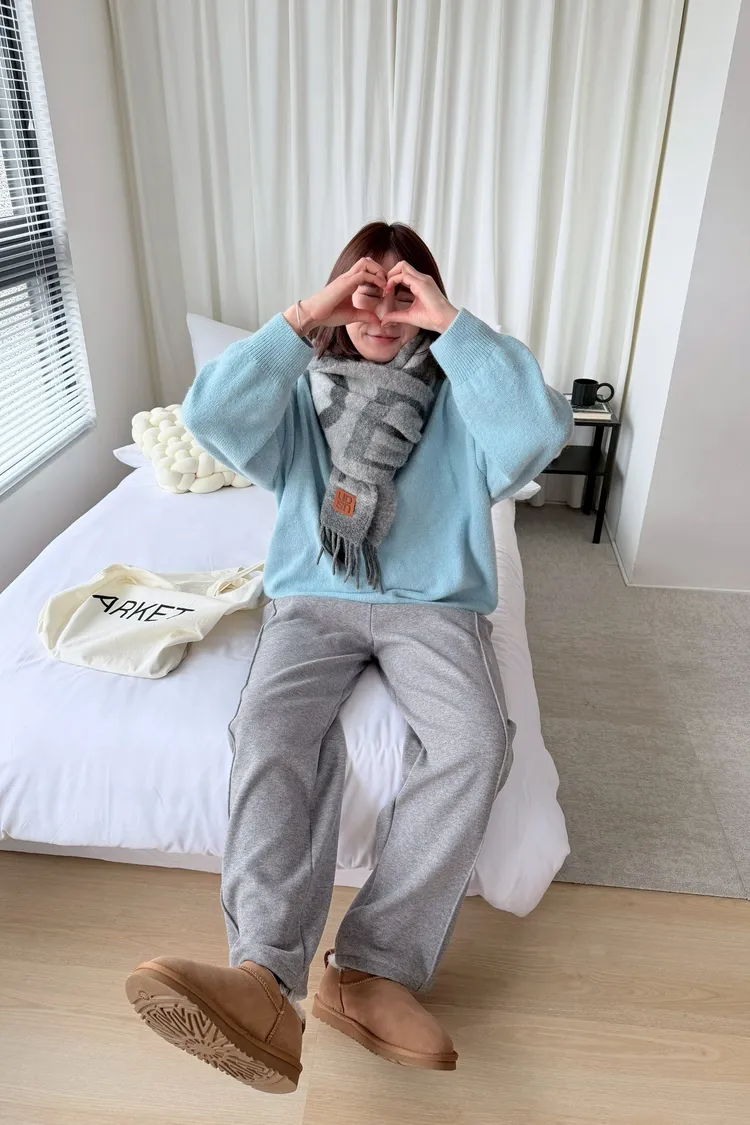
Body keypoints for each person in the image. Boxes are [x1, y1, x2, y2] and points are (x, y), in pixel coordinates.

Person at [125, 221, 573, 1093]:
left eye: (403, 295)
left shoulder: (464, 399)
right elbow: (211, 416)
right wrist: (307, 315)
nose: (381, 312)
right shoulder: (297, 396)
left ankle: (371, 969)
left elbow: (538, 429)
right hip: (312, 600)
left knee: (478, 742)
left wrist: (450, 324)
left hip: (434, 609)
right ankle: (263, 980)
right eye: (367, 292)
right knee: (269, 731)